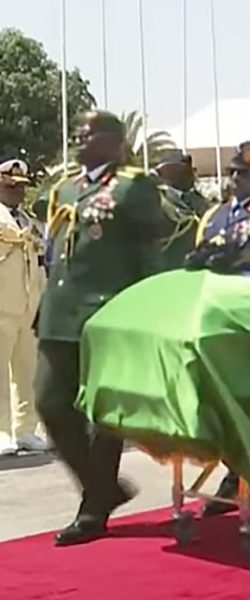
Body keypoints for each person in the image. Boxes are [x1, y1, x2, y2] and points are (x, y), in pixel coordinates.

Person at [36, 110, 167, 545]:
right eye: (77, 131)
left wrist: (149, 310)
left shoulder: (134, 186)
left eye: (89, 132)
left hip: (107, 312)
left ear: (113, 141)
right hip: (59, 311)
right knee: (50, 401)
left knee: (103, 414)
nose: (78, 136)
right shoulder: (66, 186)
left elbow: (152, 252)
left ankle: (93, 510)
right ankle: (104, 487)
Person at [185, 143, 250, 516]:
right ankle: (236, 467)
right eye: (234, 173)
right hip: (217, 316)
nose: (238, 179)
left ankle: (247, 469)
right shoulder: (213, 215)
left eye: (246, 174)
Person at [0, 159, 47, 455]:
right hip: (2, 305)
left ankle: (26, 429)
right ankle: (2, 431)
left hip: (28, 306)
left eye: (21, 187)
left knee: (27, 371)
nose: (17, 192)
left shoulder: (29, 223)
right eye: (11, 186)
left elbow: (41, 264)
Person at [155, 150, 209, 269]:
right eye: (182, 171)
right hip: (169, 265)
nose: (191, 174)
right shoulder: (157, 199)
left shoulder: (200, 200)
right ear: (166, 172)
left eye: (190, 170)